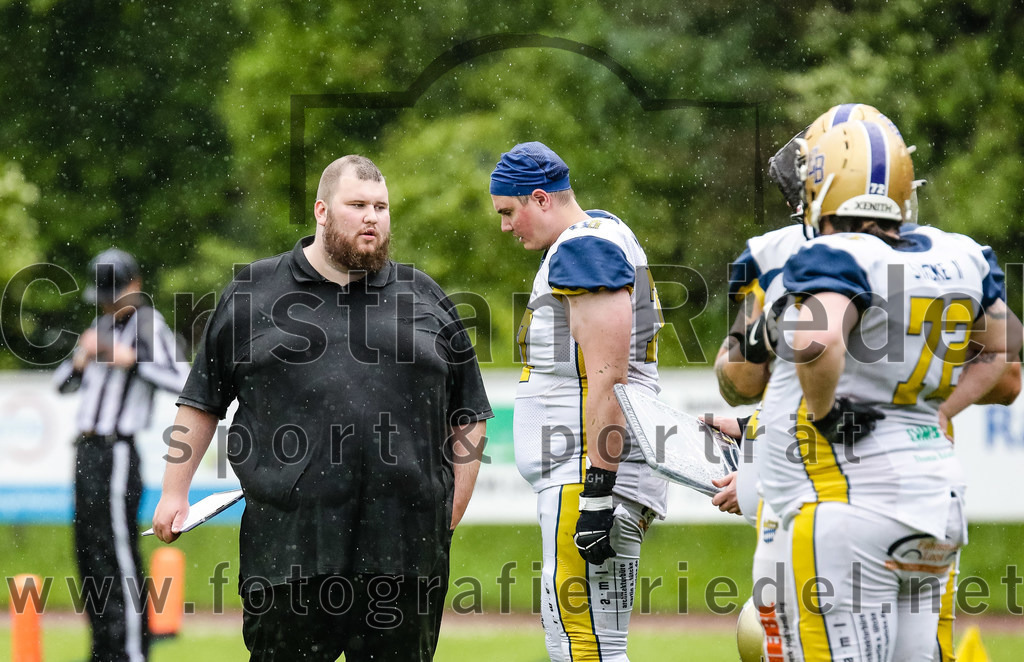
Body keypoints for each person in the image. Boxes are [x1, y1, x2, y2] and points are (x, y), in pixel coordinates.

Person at [152, 155, 492, 661]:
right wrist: (173, 491)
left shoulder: (425, 297)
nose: (372, 217)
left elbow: (469, 412)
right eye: (357, 205)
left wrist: (451, 505)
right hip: (289, 553)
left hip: (403, 557)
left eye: (381, 206)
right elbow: (202, 401)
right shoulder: (253, 293)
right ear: (322, 211)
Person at [754, 120, 1022, 661]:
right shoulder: (962, 254)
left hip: (852, 503)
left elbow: (817, 343)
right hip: (938, 502)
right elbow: (1006, 351)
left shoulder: (833, 255)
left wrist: (826, 415)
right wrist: (941, 409)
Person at [490, 141, 665, 662]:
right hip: (591, 475)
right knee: (600, 648)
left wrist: (596, 493)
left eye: (508, 211)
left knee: (578, 647)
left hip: (585, 475)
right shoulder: (602, 232)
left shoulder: (582, 249)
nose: (505, 226)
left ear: (540, 199)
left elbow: (608, 380)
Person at [54, 248, 190, 662]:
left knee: (118, 555)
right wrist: (82, 357)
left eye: (114, 292)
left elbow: (182, 378)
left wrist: (131, 360)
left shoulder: (148, 327)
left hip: (117, 453)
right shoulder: (99, 326)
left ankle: (131, 652)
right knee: (90, 556)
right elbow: (63, 383)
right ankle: (104, 650)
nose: (108, 301)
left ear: (135, 286)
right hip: (87, 451)